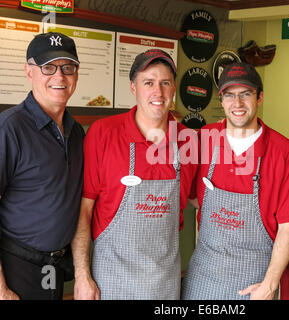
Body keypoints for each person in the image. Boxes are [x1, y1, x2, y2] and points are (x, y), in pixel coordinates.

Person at [72, 49, 197, 300]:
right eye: (148, 83)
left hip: (165, 283)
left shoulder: (189, 141)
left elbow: (203, 200)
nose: (158, 93)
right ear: (133, 87)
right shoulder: (103, 133)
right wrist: (82, 275)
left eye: (165, 83)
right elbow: (84, 210)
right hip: (111, 280)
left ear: (173, 89)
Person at [181, 62, 289, 300]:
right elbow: (193, 196)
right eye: (229, 95)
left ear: (259, 98)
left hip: (254, 281)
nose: (237, 104)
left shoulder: (284, 152)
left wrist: (269, 284)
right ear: (222, 100)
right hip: (203, 276)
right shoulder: (203, 139)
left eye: (245, 94)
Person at [0, 32, 84, 300]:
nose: (59, 77)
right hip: (16, 267)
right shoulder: (9, 128)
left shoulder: (77, 132)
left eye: (67, 67)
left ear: (76, 74)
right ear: (29, 71)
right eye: (48, 67)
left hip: (54, 267)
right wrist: (0, 289)